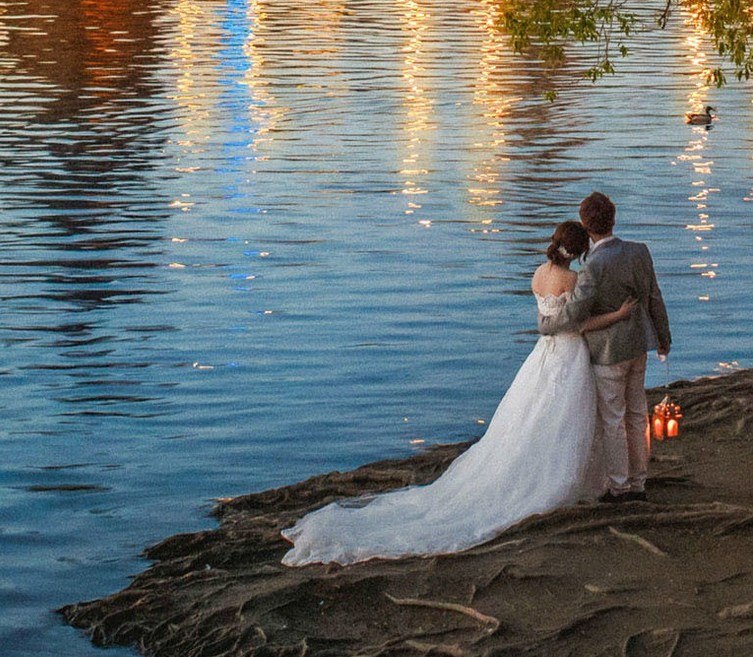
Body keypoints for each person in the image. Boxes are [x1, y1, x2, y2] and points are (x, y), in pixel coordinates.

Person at [280, 220, 634, 566]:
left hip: (542, 356)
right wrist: (618, 314)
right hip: (569, 354)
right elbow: (579, 323)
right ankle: (570, 478)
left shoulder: (538, 275)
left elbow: (547, 319)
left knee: (532, 415)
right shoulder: (573, 280)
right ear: (579, 250)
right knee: (567, 417)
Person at [570, 191, 672, 501]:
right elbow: (654, 296)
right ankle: (639, 481)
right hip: (638, 344)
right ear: (614, 219)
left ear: (586, 227)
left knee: (613, 418)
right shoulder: (639, 251)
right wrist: (663, 339)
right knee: (638, 413)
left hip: (608, 352)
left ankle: (619, 485)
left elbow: (577, 313)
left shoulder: (593, 266)